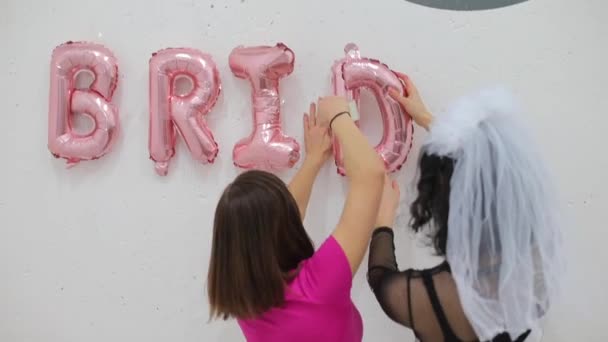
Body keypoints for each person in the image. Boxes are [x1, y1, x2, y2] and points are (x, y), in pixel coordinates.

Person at [367, 75, 564, 342]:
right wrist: (427, 118)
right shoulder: (538, 270)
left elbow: (381, 278)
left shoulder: (425, 295)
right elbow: (482, 172)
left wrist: (383, 220)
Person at [207, 97, 386, 342]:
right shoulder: (320, 284)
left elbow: (280, 217)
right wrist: (338, 116)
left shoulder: (244, 301)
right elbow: (371, 175)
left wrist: (313, 161)